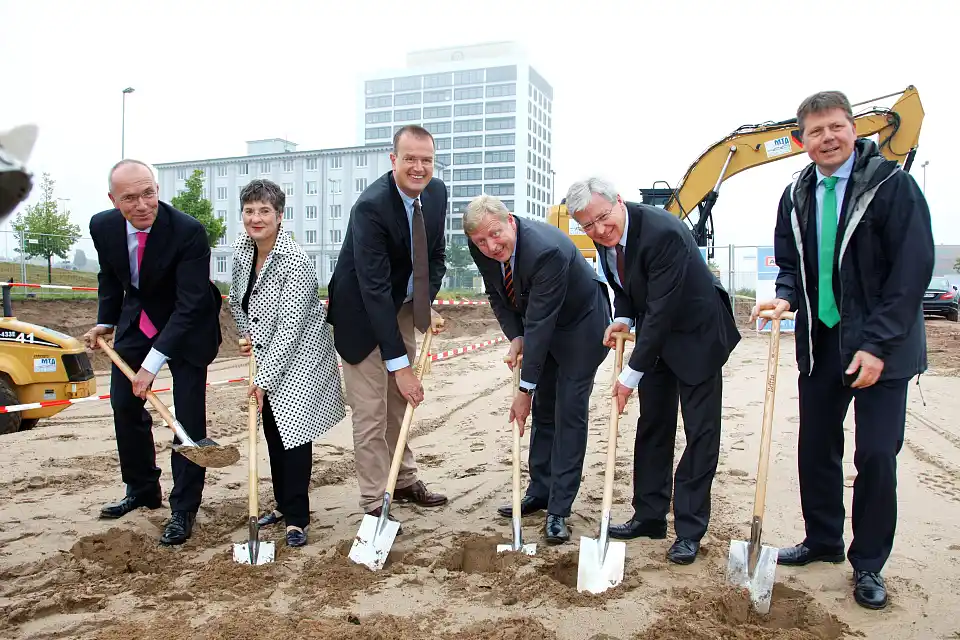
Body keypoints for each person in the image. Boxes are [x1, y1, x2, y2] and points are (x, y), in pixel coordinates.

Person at [751, 90, 935, 610]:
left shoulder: (891, 186)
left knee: (876, 455)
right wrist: (784, 297)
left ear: (854, 130)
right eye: (816, 131)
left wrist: (877, 345)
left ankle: (869, 564)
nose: (827, 138)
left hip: (883, 347)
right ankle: (824, 540)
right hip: (822, 341)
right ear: (800, 140)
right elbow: (789, 262)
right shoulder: (795, 194)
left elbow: (910, 274)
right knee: (816, 447)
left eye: (836, 127)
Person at [565, 177, 741, 565]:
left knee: (700, 434)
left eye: (602, 218)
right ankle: (649, 516)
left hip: (697, 336)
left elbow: (662, 312)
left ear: (619, 202)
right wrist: (623, 316)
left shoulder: (664, 233)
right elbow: (625, 280)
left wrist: (630, 375)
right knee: (653, 426)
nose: (598, 230)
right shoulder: (603, 231)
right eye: (587, 225)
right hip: (655, 337)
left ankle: (690, 531)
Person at [83, 159, 223, 546]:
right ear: (114, 200)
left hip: (188, 325)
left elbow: (191, 303)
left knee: (187, 419)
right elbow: (110, 276)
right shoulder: (102, 226)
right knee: (123, 404)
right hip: (137, 321)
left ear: (157, 189)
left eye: (149, 192)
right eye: (131, 197)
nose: (143, 204)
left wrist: (151, 365)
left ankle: (184, 508)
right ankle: (143, 488)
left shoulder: (188, 232)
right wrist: (106, 320)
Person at [464, 194, 611, 543]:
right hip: (540, 324)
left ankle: (559, 509)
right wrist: (516, 336)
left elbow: (543, 322)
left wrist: (524, 390)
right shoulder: (481, 247)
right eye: (481, 241)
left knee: (568, 412)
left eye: (495, 234)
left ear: (510, 222)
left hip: (580, 327)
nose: (490, 245)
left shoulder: (546, 250)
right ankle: (540, 490)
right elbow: (498, 296)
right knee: (545, 412)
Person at [327, 125, 448, 524]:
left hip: (400, 305)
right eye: (409, 159)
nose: (418, 167)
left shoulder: (436, 193)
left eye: (426, 160)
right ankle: (375, 499)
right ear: (393, 160)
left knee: (401, 401)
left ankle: (404, 479)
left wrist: (424, 311)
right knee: (371, 409)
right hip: (360, 313)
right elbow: (373, 290)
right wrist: (400, 367)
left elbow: (435, 256)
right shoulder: (371, 207)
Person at [229, 179, 347, 548]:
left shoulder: (295, 261)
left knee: (292, 437)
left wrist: (263, 379)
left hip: (301, 359)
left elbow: (290, 329)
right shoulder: (242, 251)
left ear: (280, 216)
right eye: (250, 211)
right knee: (271, 432)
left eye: (264, 211)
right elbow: (236, 299)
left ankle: (297, 518)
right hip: (267, 356)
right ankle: (282, 504)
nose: (256, 218)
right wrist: (247, 333)